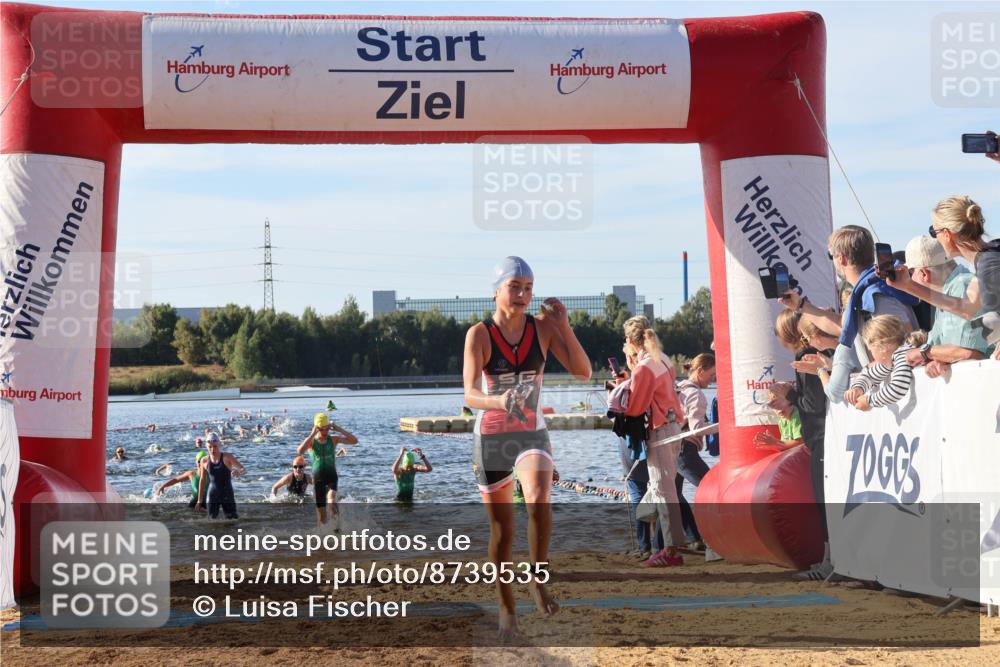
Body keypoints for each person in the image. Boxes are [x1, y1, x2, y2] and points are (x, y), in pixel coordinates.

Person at [462, 256, 591, 640]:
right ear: (497, 290)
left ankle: (538, 578)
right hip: (493, 436)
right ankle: (506, 608)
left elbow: (583, 371)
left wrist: (564, 326)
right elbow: (470, 393)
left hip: (531, 432)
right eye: (514, 287)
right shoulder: (480, 334)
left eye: (528, 288)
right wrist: (499, 401)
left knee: (539, 497)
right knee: (502, 532)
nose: (522, 295)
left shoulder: (543, 328)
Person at [782, 225, 918, 403]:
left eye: (832, 256)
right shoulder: (867, 292)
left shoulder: (876, 295)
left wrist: (868, 374)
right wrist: (800, 305)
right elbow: (843, 326)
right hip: (892, 395)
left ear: (842, 259)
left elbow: (906, 341)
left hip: (900, 394)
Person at [889, 196, 1000, 360]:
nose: (934, 238)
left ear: (947, 234)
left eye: (934, 232)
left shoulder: (988, 263)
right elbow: (967, 308)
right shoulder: (988, 258)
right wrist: (907, 286)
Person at [617, 315, 686, 568]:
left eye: (626, 339)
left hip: (660, 431)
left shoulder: (644, 367)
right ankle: (669, 546)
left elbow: (635, 408)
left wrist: (623, 386)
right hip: (674, 426)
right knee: (665, 488)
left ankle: (670, 550)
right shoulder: (663, 360)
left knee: (662, 489)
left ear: (632, 341)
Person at [899, 235, 993, 377]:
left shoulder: (961, 286)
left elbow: (969, 352)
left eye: (910, 273)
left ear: (924, 273)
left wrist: (923, 353)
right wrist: (939, 359)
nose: (909, 279)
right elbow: (945, 349)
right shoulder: (948, 290)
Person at [675, 353, 715, 551]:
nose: (713, 379)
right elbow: (697, 428)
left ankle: (691, 538)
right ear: (700, 371)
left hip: (672, 448)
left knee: (673, 495)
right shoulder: (696, 394)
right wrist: (721, 426)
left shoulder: (680, 388)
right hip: (685, 450)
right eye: (711, 374)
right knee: (712, 489)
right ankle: (716, 536)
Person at [297, 412, 358, 525]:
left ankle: (337, 527)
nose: (325, 432)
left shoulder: (333, 439)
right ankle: (322, 536)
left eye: (327, 429)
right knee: (321, 516)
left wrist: (339, 429)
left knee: (331, 499)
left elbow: (354, 441)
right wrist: (311, 434)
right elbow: (300, 451)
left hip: (331, 476)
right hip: (318, 479)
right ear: (317, 429)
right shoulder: (311, 442)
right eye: (322, 429)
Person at [845, 315, 916, 411]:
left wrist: (869, 401)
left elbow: (897, 388)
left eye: (871, 350)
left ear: (882, 348)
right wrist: (858, 388)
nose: (872, 355)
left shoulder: (903, 355)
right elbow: (869, 375)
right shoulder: (890, 360)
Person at [195, 434, 246, 519]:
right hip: (212, 493)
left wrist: (238, 472)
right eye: (210, 447)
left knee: (232, 520)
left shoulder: (227, 457)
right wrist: (199, 500)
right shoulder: (204, 460)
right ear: (206, 446)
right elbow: (202, 480)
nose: (212, 449)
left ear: (219, 445)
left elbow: (243, 469)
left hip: (227, 493)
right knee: (211, 520)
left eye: (215, 446)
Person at [753, 386, 804, 451]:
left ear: (791, 402)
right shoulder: (782, 421)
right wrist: (773, 445)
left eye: (781, 404)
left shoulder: (797, 416)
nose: (779, 409)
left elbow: (801, 443)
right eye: (774, 405)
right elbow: (785, 448)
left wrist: (776, 443)